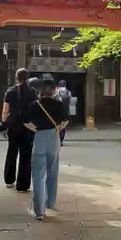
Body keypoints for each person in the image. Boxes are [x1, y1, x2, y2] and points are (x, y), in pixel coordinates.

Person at [24, 77, 69, 220]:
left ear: (41, 90)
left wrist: (35, 129)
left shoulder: (34, 105)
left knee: (38, 175)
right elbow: (66, 121)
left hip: (39, 138)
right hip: (54, 138)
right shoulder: (59, 104)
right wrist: (57, 128)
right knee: (53, 171)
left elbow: (26, 122)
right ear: (54, 90)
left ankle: (39, 211)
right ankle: (50, 202)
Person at [0, 68, 37, 192]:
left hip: (13, 126)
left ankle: (9, 180)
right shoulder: (32, 92)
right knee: (26, 155)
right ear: (27, 78)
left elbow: (5, 111)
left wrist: (3, 124)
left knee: (12, 153)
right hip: (28, 126)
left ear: (16, 77)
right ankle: (23, 184)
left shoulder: (10, 91)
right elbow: (35, 110)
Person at [54, 80, 72, 146]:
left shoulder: (56, 91)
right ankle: (61, 140)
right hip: (65, 111)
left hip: (57, 111)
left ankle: (57, 140)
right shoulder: (68, 92)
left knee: (56, 125)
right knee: (63, 126)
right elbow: (70, 102)